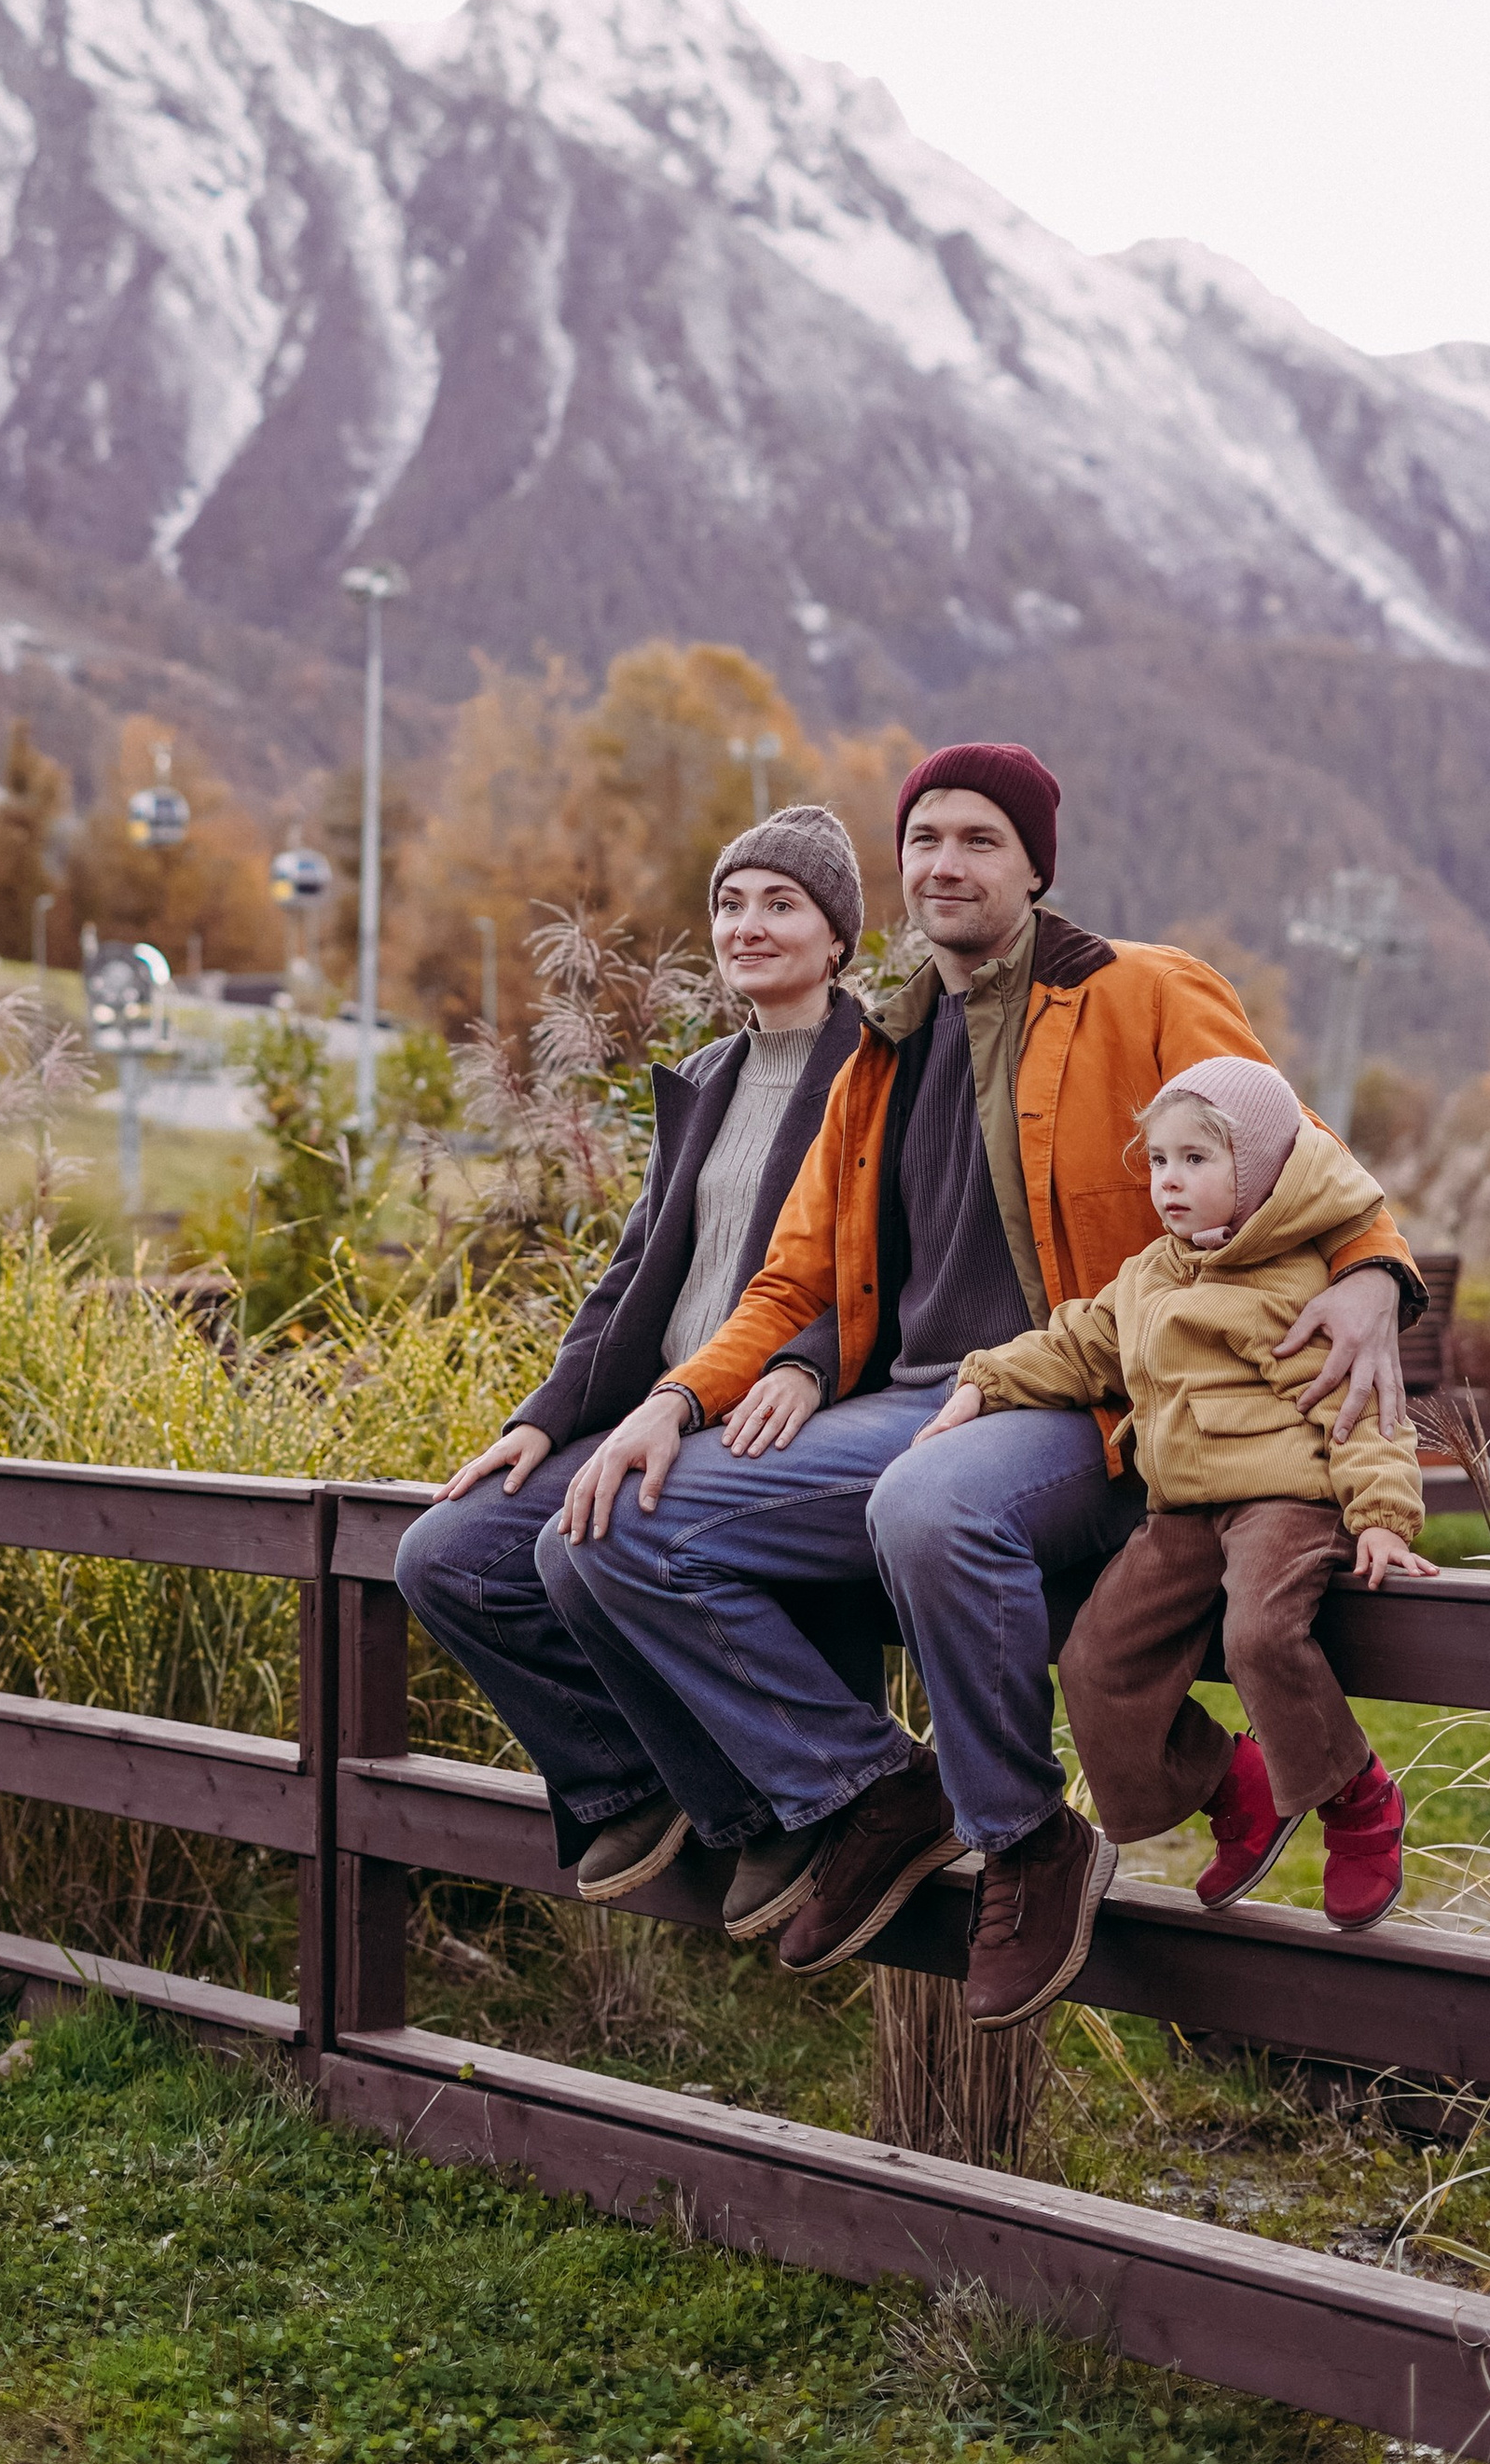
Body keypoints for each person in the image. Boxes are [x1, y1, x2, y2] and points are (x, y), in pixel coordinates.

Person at [548, 741, 1427, 2025]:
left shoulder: (1142, 993)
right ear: (896, 871)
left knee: (929, 1507)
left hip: (1095, 1406)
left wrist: (1370, 1272)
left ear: (1033, 868)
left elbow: (1290, 1146)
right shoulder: (883, 1053)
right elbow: (790, 1285)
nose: (945, 863)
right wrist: (672, 1406)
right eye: (924, 841)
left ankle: (1026, 1838)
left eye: (978, 840)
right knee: (605, 1535)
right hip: (921, 1401)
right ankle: (867, 1793)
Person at [393, 805, 870, 1906]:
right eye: (729, 904)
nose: (747, 926)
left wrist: (807, 1361)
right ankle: (633, 1785)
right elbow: (630, 1277)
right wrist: (542, 1418)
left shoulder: (880, 1069)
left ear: (836, 934)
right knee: (443, 1557)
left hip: (773, 1414)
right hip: (650, 1401)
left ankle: (769, 1813)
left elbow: (893, 1264)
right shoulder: (704, 1073)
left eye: (780, 904)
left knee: (602, 1534)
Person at [919, 1054, 1436, 2012]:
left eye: (1195, 1159)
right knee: (1094, 1659)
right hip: (1182, 1508)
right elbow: (1080, 1344)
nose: (1167, 1181)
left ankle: (1358, 1800)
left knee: (1256, 1635)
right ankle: (1231, 1784)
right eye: (1157, 1161)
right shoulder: (1152, 1274)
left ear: (1266, 1167)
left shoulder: (1303, 1277)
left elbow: (1367, 1412)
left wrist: (1379, 1517)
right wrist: (983, 1380)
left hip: (1284, 1501)